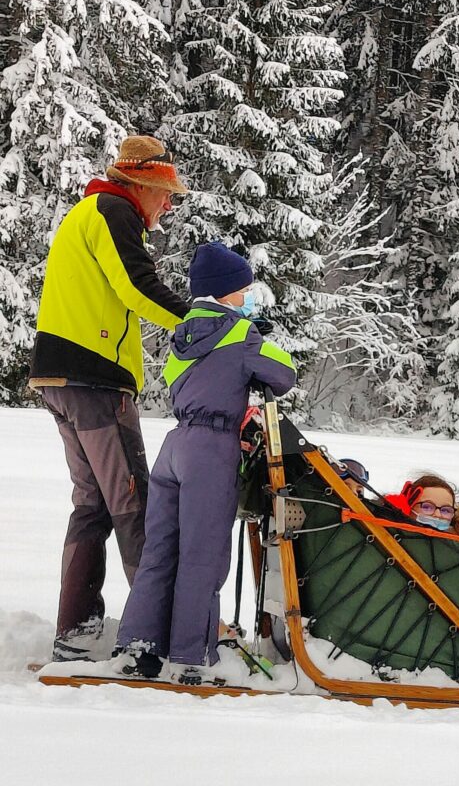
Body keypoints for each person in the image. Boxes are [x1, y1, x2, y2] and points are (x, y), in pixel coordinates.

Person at [30, 135, 190, 661]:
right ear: (141, 185)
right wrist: (202, 324)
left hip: (61, 377)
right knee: (132, 502)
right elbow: (136, 286)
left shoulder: (86, 213)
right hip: (95, 380)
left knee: (93, 504)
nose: (168, 204)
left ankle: (75, 630)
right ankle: (155, 630)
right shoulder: (114, 210)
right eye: (165, 193)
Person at [114, 242, 296, 680]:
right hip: (212, 449)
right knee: (203, 556)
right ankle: (190, 656)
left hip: (173, 447)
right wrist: (255, 338)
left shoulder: (180, 334)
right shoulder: (239, 332)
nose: (248, 295)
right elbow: (285, 372)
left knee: (160, 551)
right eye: (244, 289)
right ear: (226, 292)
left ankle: (140, 647)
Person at [386, 474, 458, 530]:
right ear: (409, 507)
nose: (438, 514)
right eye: (427, 507)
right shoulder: (384, 533)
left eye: (446, 510)